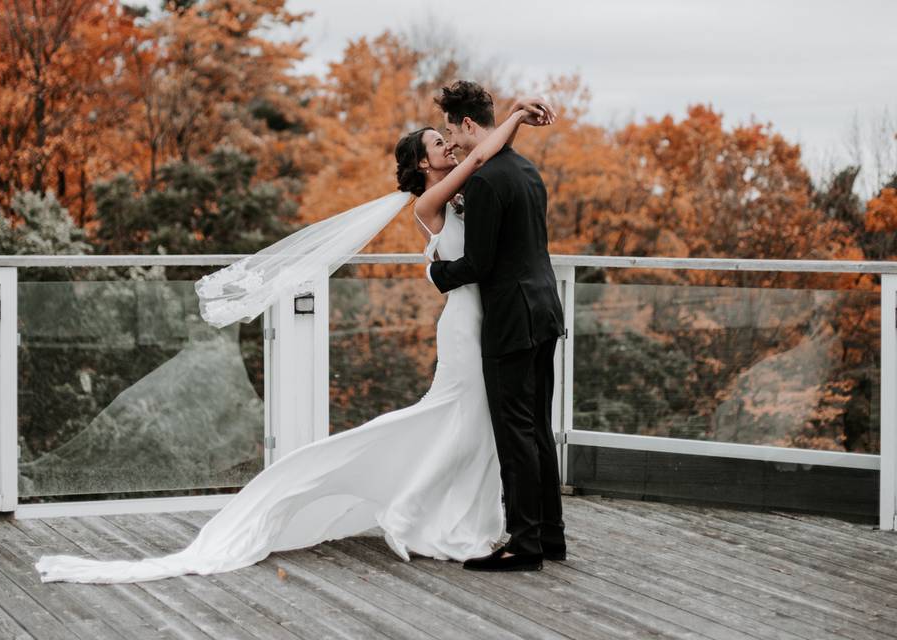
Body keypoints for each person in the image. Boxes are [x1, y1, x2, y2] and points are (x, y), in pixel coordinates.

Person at [34, 92, 558, 584]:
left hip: (495, 319)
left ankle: (490, 519)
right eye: (437, 143)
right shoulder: (434, 200)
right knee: (472, 421)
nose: (447, 145)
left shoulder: (473, 186)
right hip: (474, 325)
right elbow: (480, 159)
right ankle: (431, 510)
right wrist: (512, 116)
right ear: (424, 167)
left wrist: (507, 122)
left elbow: (481, 169)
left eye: (448, 136)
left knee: (484, 426)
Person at [429, 80, 567, 572]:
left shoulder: (485, 181)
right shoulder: (527, 170)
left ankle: (524, 543)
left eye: (450, 128)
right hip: (546, 309)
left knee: (514, 432)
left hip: (511, 319)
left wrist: (437, 273)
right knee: (538, 429)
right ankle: (551, 534)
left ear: (468, 124)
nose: (450, 139)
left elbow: (479, 264)